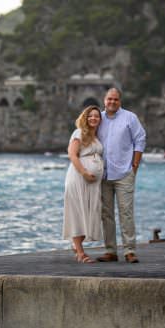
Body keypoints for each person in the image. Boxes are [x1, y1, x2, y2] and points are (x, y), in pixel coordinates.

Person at [97, 87, 146, 264]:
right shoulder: (98, 118)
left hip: (124, 173)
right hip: (103, 175)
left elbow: (140, 139)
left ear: (120, 101)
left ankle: (129, 251)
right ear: (104, 100)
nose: (112, 102)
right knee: (106, 214)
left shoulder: (130, 118)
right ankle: (110, 251)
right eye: (109, 99)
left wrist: (135, 164)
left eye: (115, 99)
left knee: (126, 213)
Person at [62, 105, 104, 264]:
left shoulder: (96, 136)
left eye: (97, 116)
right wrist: (85, 172)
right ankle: (80, 253)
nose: (93, 118)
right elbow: (72, 155)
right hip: (79, 178)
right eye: (90, 116)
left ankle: (76, 244)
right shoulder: (79, 132)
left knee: (89, 213)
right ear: (85, 118)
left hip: (92, 183)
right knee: (77, 213)